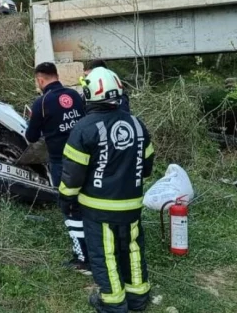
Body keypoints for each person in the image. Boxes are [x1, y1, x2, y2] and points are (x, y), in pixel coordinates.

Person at [59, 67, 155, 313]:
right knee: (133, 249)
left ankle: (113, 303)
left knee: (105, 254)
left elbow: (72, 175)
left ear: (89, 94)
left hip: (98, 207)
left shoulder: (84, 128)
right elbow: (146, 167)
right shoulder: (136, 124)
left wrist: (66, 200)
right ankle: (138, 298)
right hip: (131, 205)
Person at [25, 62, 91, 274]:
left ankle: (82, 258)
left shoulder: (41, 103)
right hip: (86, 159)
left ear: (40, 80)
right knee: (87, 203)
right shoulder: (75, 95)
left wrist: (36, 122)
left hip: (62, 163)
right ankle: (95, 248)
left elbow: (31, 137)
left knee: (69, 207)